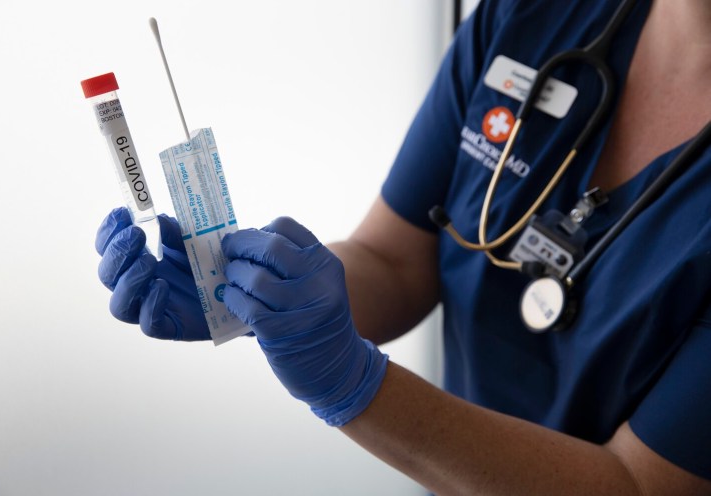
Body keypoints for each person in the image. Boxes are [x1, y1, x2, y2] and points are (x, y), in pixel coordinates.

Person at [95, 0, 711, 493]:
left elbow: (640, 483)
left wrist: (354, 384)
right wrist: (256, 294)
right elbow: (393, 259)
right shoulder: (532, 17)